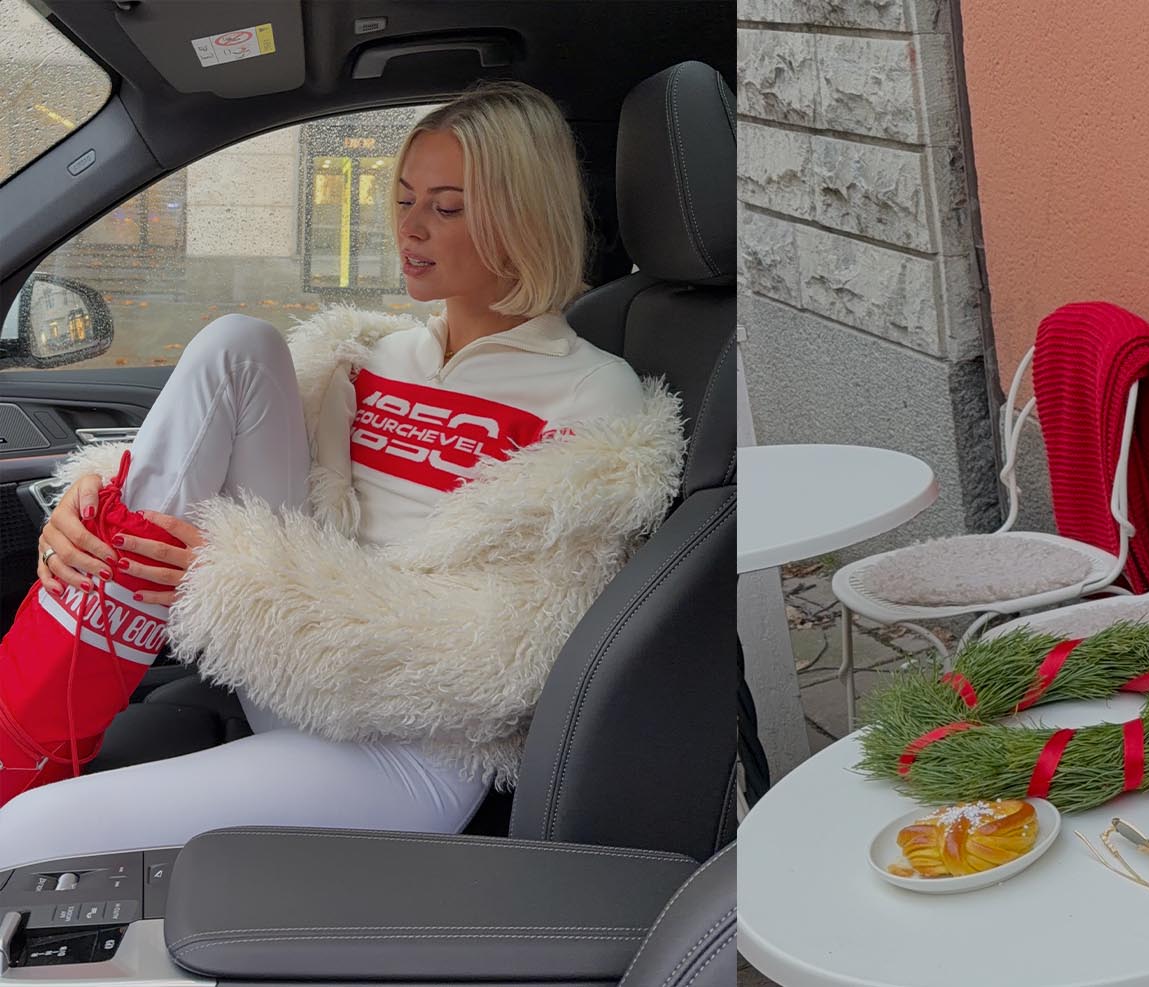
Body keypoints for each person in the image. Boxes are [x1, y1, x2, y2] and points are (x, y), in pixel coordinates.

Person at [0, 81, 684, 863]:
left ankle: (21, 752)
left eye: (447, 207)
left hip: (408, 744)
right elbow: (205, 452)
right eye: (405, 199)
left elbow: (513, 650)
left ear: (522, 217)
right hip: (284, 667)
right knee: (236, 343)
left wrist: (237, 582)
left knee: (24, 832)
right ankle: (30, 722)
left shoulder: (593, 392)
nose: (410, 227)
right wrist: (98, 503)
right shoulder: (370, 353)